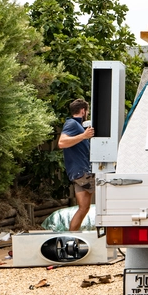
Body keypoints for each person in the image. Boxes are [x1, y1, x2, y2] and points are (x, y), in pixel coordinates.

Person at [58, 98, 95, 231]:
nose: (88, 114)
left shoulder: (78, 126)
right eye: (87, 111)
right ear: (83, 111)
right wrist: (83, 136)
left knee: (84, 208)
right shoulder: (72, 124)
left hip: (79, 174)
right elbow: (61, 143)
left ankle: (71, 237)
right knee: (108, 186)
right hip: (82, 172)